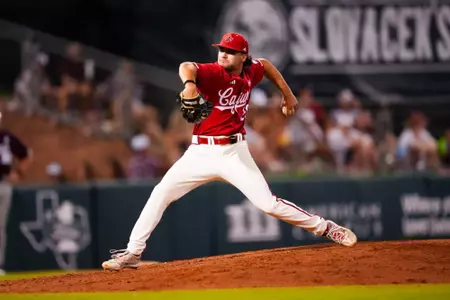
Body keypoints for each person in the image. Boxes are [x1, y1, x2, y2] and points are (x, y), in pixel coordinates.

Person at [102, 32, 357, 271]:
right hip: (200, 152)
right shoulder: (214, 73)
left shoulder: (251, 72)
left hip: (235, 152)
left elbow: (266, 65)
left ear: (243, 57)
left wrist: (287, 94)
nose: (222, 55)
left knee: (268, 204)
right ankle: (133, 253)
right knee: (161, 192)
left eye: (230, 51)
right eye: (221, 49)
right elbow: (187, 66)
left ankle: (326, 228)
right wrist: (190, 85)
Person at [0, 113, 33, 275]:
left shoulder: (5, 137)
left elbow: (26, 153)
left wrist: (18, 173)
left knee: (0, 227)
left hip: (3, 183)